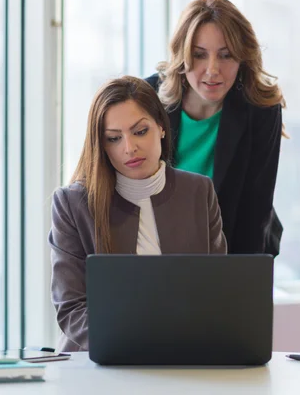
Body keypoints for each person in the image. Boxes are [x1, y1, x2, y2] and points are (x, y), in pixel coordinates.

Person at [49, 76, 227, 352]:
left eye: (140, 131)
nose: (129, 148)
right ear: (102, 145)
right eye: (114, 138)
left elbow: (217, 292)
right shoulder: (72, 203)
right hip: (99, 362)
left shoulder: (199, 191)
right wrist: (136, 348)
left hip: (184, 359)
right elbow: (71, 308)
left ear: (161, 127)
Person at [145, 0, 285, 256]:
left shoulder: (262, 108)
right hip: (158, 248)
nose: (212, 70)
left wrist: (240, 284)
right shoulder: (148, 97)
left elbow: (256, 208)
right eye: (199, 55)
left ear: (242, 58)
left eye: (226, 55)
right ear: (182, 55)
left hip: (235, 244)